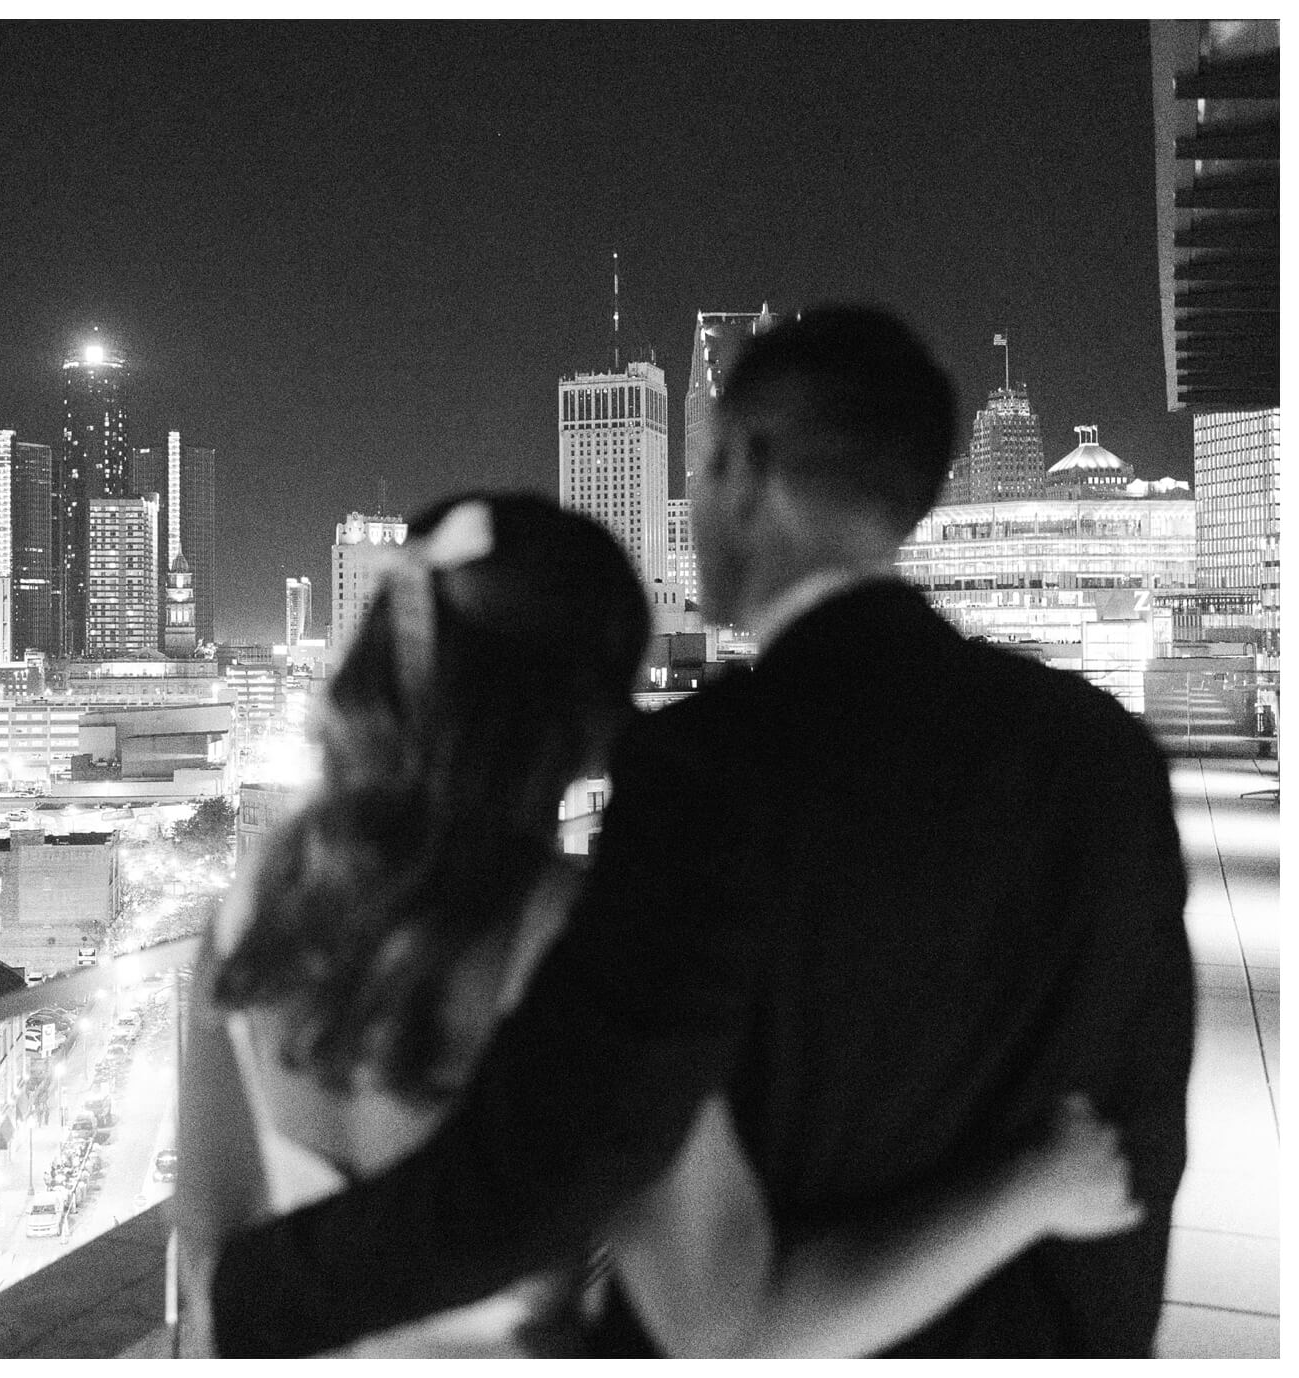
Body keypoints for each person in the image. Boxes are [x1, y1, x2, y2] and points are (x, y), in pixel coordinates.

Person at [196, 308, 1195, 1357]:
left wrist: (254, 1297)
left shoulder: (707, 765)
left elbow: (550, 1159)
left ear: (741, 467)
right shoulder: (1099, 749)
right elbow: (1137, 1125)